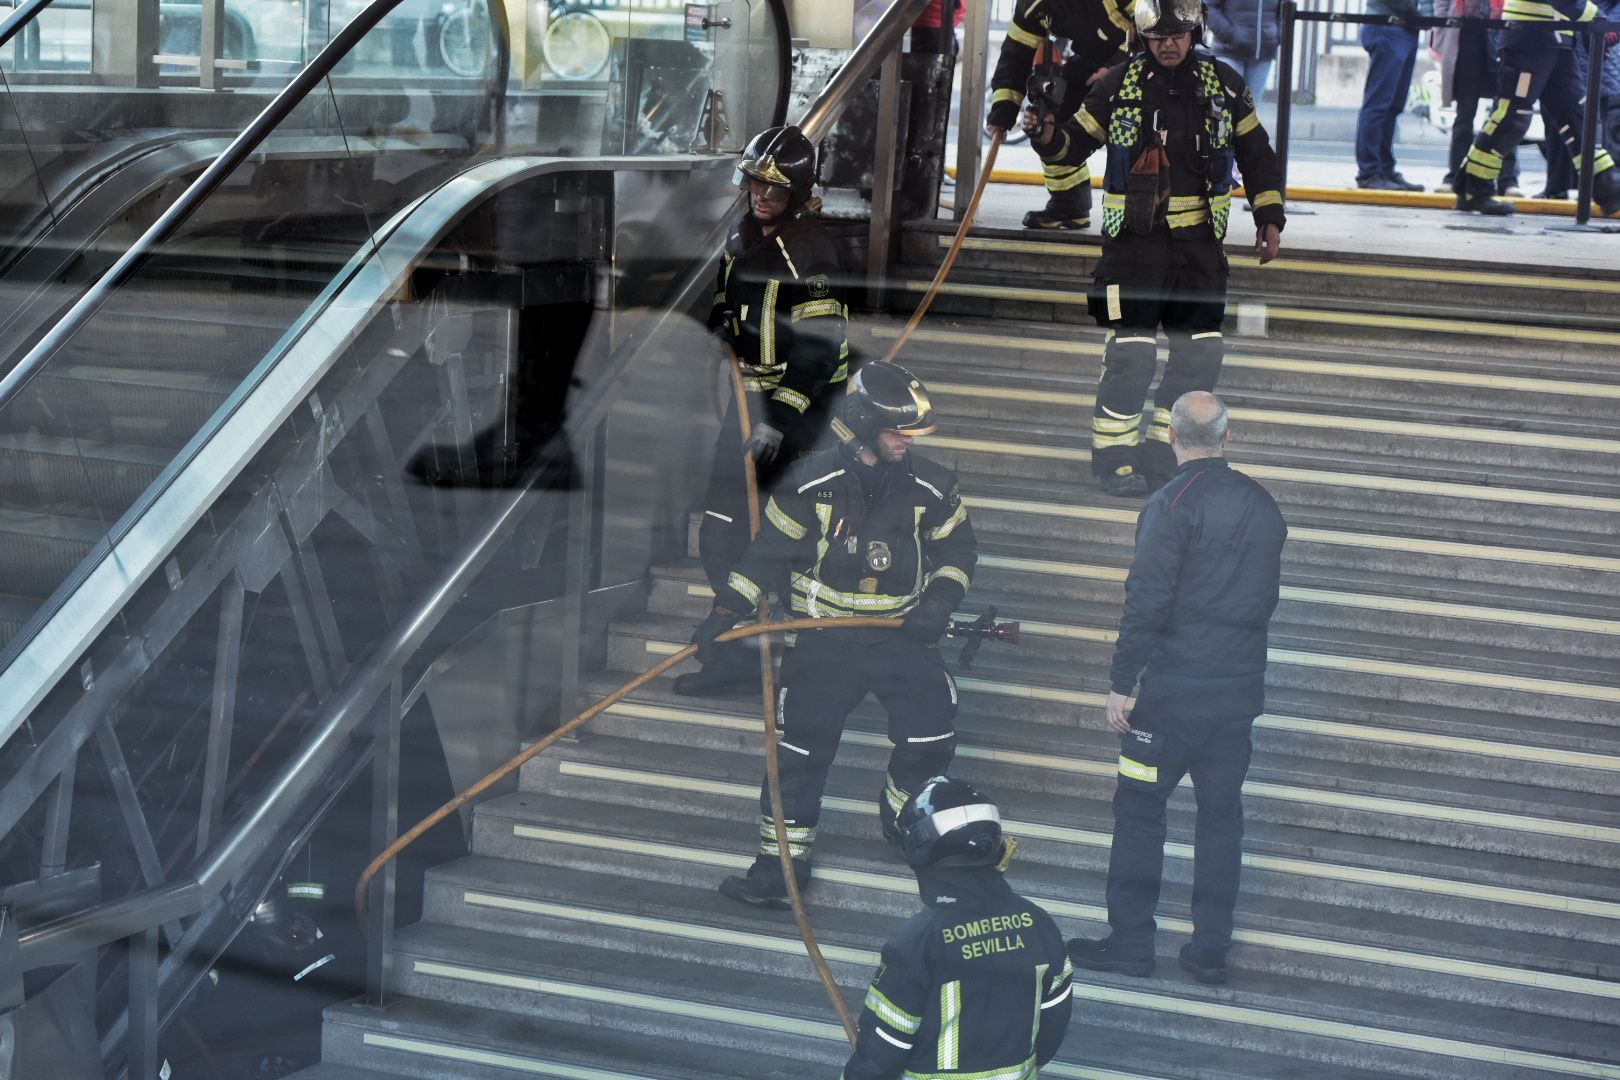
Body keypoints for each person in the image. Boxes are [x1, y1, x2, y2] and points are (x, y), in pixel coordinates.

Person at [691, 362, 979, 907]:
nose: (907, 443)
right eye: (898, 431)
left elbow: (959, 552)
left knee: (931, 737)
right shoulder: (807, 482)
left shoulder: (933, 486)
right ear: (864, 424)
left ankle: (900, 815)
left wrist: (939, 602)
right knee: (797, 758)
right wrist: (724, 613)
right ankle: (778, 868)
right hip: (823, 644)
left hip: (901, 639)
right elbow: (765, 555)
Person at [1066, 392, 1286, 985]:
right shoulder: (1263, 504)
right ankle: (1210, 948)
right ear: (1228, 438)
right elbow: (1265, 597)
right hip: (1235, 698)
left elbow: (1147, 601)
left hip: (1168, 701)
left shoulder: (1170, 504)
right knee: (1221, 819)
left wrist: (1121, 682)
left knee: (1139, 813)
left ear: (1170, 437)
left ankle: (1133, 943)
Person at [1025, 0, 1285, 497]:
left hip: (1200, 254)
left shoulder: (1225, 85)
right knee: (1132, 358)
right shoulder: (1116, 84)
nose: (1169, 44)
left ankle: (1163, 455)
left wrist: (1269, 217)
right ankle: (1114, 460)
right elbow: (1073, 146)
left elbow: (1256, 153)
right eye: (1158, 35)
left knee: (1198, 359)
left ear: (1195, 32)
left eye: (1178, 34)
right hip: (1133, 250)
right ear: (1141, 38)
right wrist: (1045, 134)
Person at [672, 125, 852, 697]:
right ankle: (737, 655)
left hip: (803, 414)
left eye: (775, 187)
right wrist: (722, 320)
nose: (762, 194)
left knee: (785, 538)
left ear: (798, 193)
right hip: (750, 404)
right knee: (723, 529)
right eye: (756, 182)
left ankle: (793, 663)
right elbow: (727, 294)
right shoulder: (741, 235)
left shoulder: (813, 254)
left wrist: (780, 422)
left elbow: (820, 347)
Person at [841, 777, 1073, 1080]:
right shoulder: (1038, 923)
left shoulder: (916, 943)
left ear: (920, 848)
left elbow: (882, 1053)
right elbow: (1054, 1022)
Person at [1453, 0, 1620, 214]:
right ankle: (1472, 188)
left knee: (1579, 117)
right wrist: (1595, 16)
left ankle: (1608, 188)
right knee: (1513, 116)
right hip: (1529, 40)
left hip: (1557, 39)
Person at [984, 0, 1135, 229]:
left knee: (1138, 130)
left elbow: (1155, 26)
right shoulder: (1033, 5)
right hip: (1091, 65)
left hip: (1138, 65)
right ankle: (1069, 203)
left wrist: (1117, 68)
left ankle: (1138, 211)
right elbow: (1017, 55)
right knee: (1046, 111)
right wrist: (1001, 114)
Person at [1432, 0, 1524, 196]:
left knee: (1505, 110)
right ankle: (1455, 175)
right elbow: (1441, 4)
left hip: (1502, 29)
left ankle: (1507, 179)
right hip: (1466, 31)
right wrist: (1441, 34)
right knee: (1465, 112)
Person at [1355, 0, 1429, 191]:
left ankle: (1384, 168)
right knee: (1379, 104)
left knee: (1392, 105)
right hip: (1389, 24)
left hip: (1403, 26)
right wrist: (1421, 14)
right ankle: (1370, 172)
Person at [1205, 0, 1281, 133]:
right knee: (1225, 104)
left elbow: (1285, 11)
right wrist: (1230, 34)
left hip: (1263, 53)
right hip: (1229, 51)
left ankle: (1242, 150)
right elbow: (1208, 7)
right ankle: (1219, 148)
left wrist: (1276, 35)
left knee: (1250, 108)